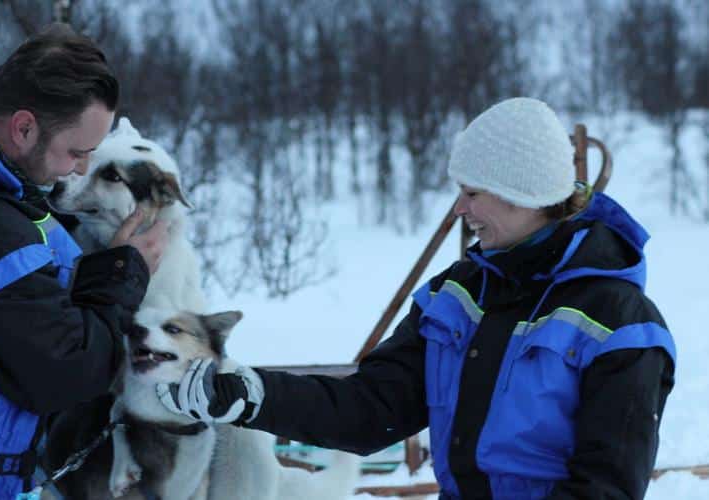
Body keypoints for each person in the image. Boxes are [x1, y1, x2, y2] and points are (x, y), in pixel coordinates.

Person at [158, 97, 677, 499]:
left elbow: (605, 487)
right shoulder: (457, 294)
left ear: (525, 195)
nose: (459, 208)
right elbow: (369, 410)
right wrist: (250, 394)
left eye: (473, 192)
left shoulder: (620, 325)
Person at [0, 24, 167, 498]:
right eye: (76, 152)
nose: (79, 169)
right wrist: (124, 274)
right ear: (23, 128)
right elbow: (68, 374)